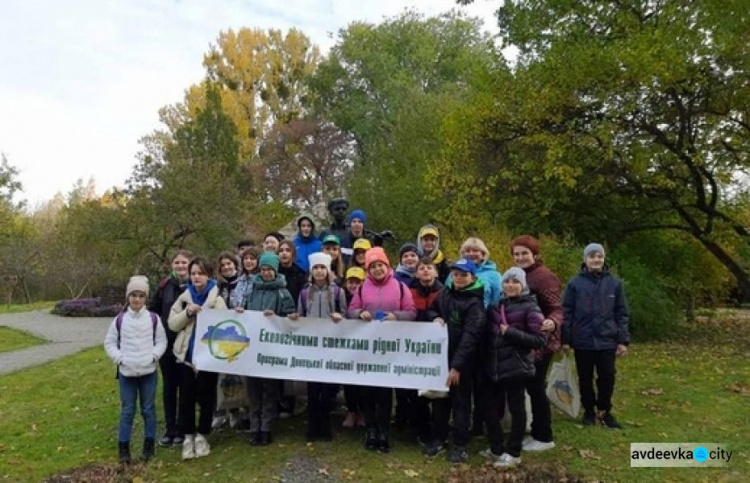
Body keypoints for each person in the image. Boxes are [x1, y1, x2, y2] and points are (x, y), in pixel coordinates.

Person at [347, 247, 416, 452]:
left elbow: (412, 313)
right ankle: (371, 430)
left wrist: (397, 316)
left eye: (380, 265)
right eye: (373, 266)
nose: (377, 269)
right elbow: (350, 310)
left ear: (387, 266)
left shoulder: (401, 287)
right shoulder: (361, 288)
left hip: (390, 348)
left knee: (385, 392)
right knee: (367, 391)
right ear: (368, 269)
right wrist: (360, 313)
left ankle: (384, 431)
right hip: (367, 348)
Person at [481, 268, 546, 468]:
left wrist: (511, 333)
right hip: (495, 366)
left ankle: (514, 451)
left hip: (516, 365)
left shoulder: (531, 308)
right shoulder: (494, 307)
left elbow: (539, 340)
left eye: (515, 282)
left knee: (517, 410)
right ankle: (496, 447)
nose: (510, 285)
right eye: (507, 281)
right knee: (487, 407)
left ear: (523, 285)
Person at [422, 259, 485, 464]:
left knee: (461, 403)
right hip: (442, 358)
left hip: (464, 363)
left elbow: (470, 337)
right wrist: (435, 318)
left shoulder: (475, 303)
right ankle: (438, 438)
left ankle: (460, 444)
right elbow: (431, 310)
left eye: (463, 275)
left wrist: (457, 366)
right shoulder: (445, 293)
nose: (458, 278)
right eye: (456, 274)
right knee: (440, 401)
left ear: (472, 277)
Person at [562, 243, 630, 429]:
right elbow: (566, 312)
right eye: (592, 256)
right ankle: (589, 411)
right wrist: (566, 339)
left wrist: (622, 340)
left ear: (603, 258)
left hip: (607, 338)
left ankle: (605, 410)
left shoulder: (615, 284)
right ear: (585, 259)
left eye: (599, 256)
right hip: (583, 340)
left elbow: (621, 313)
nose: (596, 259)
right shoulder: (575, 283)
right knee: (585, 377)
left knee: (607, 376)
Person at [168, 257, 228, 460]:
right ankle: (187, 437)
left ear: (208, 275)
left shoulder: (217, 299)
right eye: (193, 273)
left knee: (206, 397)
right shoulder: (184, 298)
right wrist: (187, 313)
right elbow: (172, 324)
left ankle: (202, 435)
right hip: (185, 357)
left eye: (200, 273)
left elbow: (225, 327)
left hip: (208, 358)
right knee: (185, 398)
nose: (196, 277)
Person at [105, 276, 167, 464]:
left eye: (141, 295)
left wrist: (154, 356)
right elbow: (109, 342)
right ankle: (123, 448)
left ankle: (149, 446)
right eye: (133, 295)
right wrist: (120, 358)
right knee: (127, 410)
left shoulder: (154, 319)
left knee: (148, 410)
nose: (137, 299)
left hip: (148, 372)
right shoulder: (120, 320)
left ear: (145, 298)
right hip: (127, 373)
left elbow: (161, 341)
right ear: (128, 297)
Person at [511, 235, 563, 452]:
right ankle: (535, 429)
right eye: (517, 254)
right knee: (530, 387)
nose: (521, 257)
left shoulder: (544, 277)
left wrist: (553, 322)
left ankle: (544, 436)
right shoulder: (521, 275)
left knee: (536, 387)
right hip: (526, 341)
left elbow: (557, 308)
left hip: (542, 342)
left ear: (535, 254)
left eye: (525, 253)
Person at [289, 252, 348, 441]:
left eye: (323, 268)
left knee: (326, 389)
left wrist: (341, 318)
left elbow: (346, 316)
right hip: (312, 348)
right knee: (313, 389)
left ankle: (325, 425)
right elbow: (300, 315)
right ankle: (312, 426)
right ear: (311, 271)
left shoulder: (338, 292)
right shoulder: (306, 293)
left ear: (328, 270)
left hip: (330, 346)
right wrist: (295, 318)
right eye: (316, 268)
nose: (320, 271)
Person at [242, 252, 297, 445]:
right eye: (263, 269)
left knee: (270, 389)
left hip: (272, 349)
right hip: (253, 347)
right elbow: (245, 310)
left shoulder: (283, 292)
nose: (266, 273)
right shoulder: (252, 291)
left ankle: (266, 426)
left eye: (269, 270)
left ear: (275, 271)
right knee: (253, 389)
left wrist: (277, 316)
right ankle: (254, 426)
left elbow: (291, 316)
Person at [148, 249, 191, 448]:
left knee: (185, 387)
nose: (181, 266)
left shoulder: (196, 284)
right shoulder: (165, 286)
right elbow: (153, 311)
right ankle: (170, 428)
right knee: (169, 387)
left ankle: (182, 429)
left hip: (187, 344)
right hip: (166, 343)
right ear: (172, 265)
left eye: (184, 263)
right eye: (177, 263)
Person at [341, 266, 366, 429]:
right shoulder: (341, 296)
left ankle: (362, 412)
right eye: (351, 282)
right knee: (348, 381)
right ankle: (351, 411)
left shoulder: (366, 296)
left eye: (357, 282)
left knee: (363, 380)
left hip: (364, 344)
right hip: (345, 345)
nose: (354, 285)